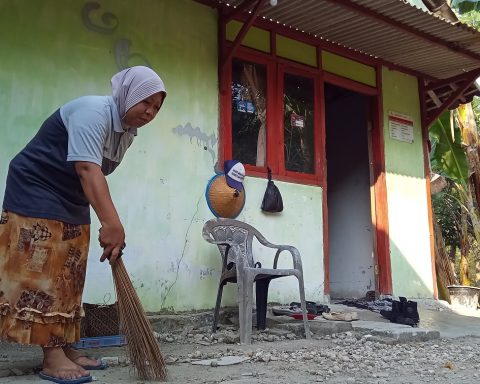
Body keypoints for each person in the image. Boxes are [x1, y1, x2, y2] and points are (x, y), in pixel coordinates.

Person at [0, 66, 167, 384]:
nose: (150, 111)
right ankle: (51, 356)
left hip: (70, 194)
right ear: (128, 93)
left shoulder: (127, 133)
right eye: (146, 101)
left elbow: (96, 175)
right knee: (45, 273)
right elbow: (88, 169)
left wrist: (108, 223)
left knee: (69, 272)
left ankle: (65, 345)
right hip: (37, 188)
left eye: (157, 107)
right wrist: (112, 223)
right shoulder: (94, 112)